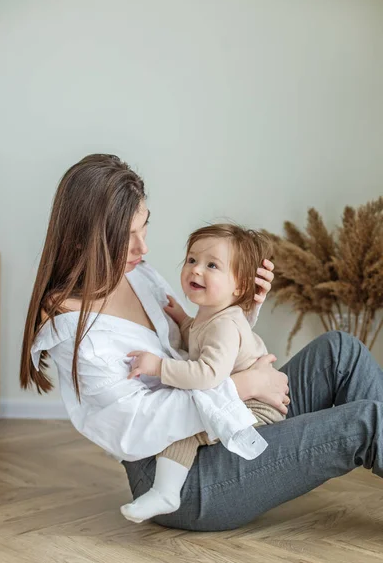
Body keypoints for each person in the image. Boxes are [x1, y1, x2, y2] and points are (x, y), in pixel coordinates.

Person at [20, 154, 383, 533]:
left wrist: (238, 307)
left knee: (342, 351)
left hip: (222, 423)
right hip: (183, 475)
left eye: (145, 228)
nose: (142, 248)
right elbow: (140, 426)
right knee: (367, 423)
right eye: (127, 237)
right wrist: (247, 386)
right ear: (85, 237)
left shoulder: (136, 275)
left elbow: (192, 345)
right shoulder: (74, 332)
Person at [121, 223, 285, 523]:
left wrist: (159, 367)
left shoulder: (225, 324)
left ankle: (166, 493)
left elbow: (208, 374)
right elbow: (198, 338)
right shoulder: (211, 314)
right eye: (192, 260)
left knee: (184, 429)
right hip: (245, 395)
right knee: (185, 418)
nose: (196, 270)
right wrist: (183, 320)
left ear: (240, 286)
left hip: (257, 407)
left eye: (212, 265)